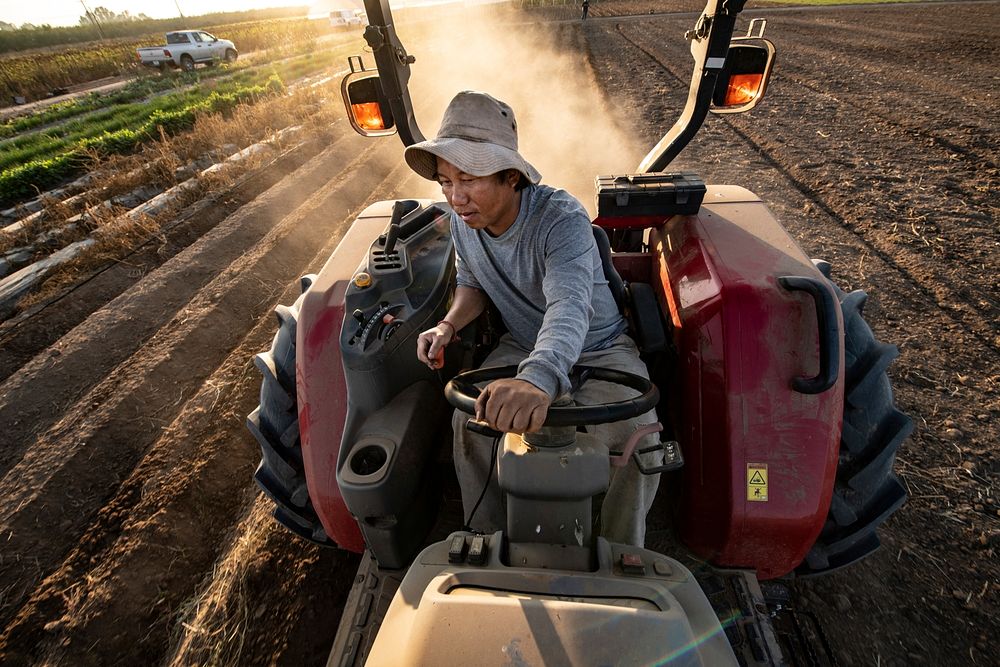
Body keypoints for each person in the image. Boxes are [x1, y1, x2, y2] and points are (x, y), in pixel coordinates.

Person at [407, 91, 661, 547]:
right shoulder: (466, 222)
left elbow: (570, 304)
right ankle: (486, 540)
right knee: (470, 424)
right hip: (524, 343)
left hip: (599, 347)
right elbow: (474, 284)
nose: (455, 196)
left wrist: (538, 379)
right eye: (445, 181)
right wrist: (448, 325)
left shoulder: (561, 219)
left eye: (468, 178)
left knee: (637, 437)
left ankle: (624, 554)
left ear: (511, 176)